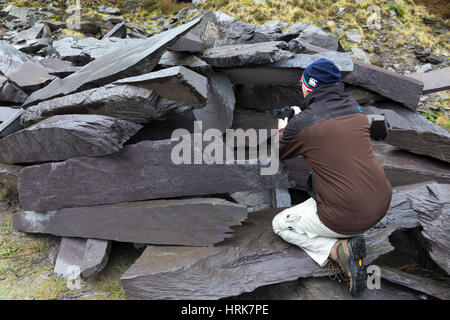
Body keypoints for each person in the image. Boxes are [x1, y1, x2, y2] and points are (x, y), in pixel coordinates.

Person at [272, 58, 392, 296]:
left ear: (309, 86)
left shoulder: (302, 123)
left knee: (280, 224)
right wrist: (303, 117)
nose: (302, 88)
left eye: (302, 83)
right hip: (381, 204)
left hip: (345, 217)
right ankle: (347, 233)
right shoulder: (356, 110)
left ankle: (339, 250)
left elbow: (279, 153)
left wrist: (285, 128)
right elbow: (327, 126)